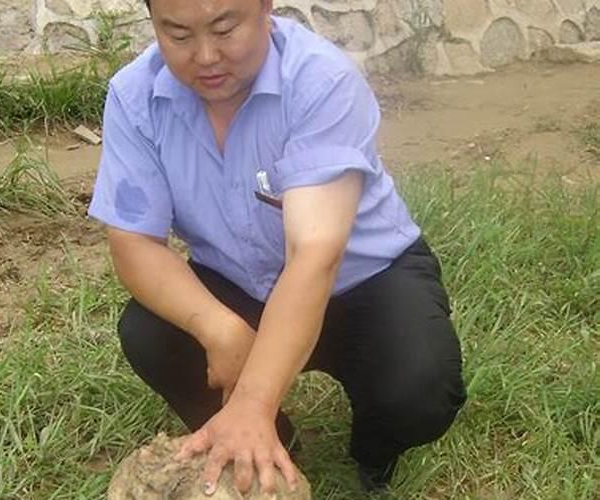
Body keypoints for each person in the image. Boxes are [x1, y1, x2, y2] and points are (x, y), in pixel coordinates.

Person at [88, 0, 467, 495]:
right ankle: (269, 445)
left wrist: (254, 399)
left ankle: (373, 452)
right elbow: (133, 242)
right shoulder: (135, 96)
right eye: (177, 35)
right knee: (150, 331)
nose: (205, 56)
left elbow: (314, 254)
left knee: (419, 390)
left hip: (362, 282)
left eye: (225, 29)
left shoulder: (320, 82)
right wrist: (219, 328)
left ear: (265, 7)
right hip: (240, 282)